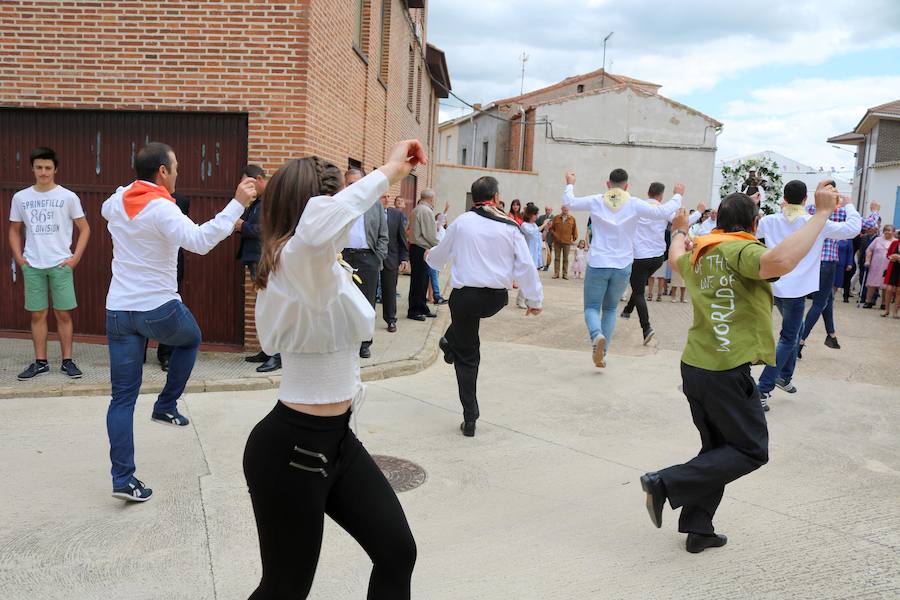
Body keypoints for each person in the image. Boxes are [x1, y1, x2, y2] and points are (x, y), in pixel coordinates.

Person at [245, 140, 422, 599]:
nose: (344, 208)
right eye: (330, 198)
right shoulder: (294, 260)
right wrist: (390, 170)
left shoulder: (325, 266)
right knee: (285, 588)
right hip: (292, 448)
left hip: (337, 441)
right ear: (310, 209)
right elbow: (318, 227)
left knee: (397, 551)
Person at [640, 181, 842, 554]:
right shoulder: (742, 250)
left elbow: (673, 259)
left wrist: (681, 229)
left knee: (717, 449)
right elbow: (779, 262)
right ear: (753, 224)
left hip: (696, 366)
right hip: (725, 369)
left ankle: (699, 529)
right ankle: (664, 483)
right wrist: (824, 214)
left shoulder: (701, 250)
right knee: (750, 450)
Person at [104, 142, 256, 502]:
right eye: (175, 168)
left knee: (121, 399)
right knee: (190, 339)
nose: (177, 174)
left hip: (118, 311)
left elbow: (107, 204)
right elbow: (201, 241)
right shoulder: (161, 209)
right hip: (158, 309)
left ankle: (123, 479)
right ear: (162, 171)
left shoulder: (116, 202)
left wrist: (125, 190)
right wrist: (237, 202)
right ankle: (166, 405)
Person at [428, 176, 543, 437]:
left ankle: (470, 418)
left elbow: (439, 256)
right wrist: (534, 300)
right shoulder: (510, 226)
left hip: (465, 299)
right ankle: (450, 343)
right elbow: (525, 265)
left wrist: (430, 257)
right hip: (495, 299)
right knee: (467, 332)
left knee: (468, 357)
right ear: (495, 197)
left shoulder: (461, 222)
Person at [754, 180, 861, 408]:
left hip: (774, 285)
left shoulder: (769, 220)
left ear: (784, 196)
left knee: (795, 330)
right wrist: (849, 204)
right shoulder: (815, 223)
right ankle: (762, 389)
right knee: (789, 337)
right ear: (805, 199)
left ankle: (784, 376)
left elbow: (752, 234)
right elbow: (853, 229)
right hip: (796, 289)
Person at [562, 168, 682, 367]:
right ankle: (603, 351)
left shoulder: (597, 200)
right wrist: (677, 194)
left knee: (592, 307)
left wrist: (570, 183)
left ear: (608, 184)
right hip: (623, 265)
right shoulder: (634, 203)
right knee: (609, 309)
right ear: (627, 186)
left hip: (599, 262)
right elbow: (661, 211)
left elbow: (570, 202)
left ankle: (596, 335)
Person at [9, 146, 90, 381]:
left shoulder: (67, 197)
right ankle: (40, 362)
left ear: (55, 169)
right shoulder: (21, 198)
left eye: (47, 168)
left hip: (60, 264)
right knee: (38, 315)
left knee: (63, 314)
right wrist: (19, 258)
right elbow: (13, 230)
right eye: (39, 167)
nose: (43, 172)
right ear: (32, 169)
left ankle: (67, 361)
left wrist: (74, 258)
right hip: (33, 264)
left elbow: (85, 229)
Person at [799, 199, 880, 356]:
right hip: (827, 262)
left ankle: (831, 335)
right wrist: (873, 210)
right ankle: (799, 341)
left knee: (827, 297)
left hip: (811, 261)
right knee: (819, 303)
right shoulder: (841, 212)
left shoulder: (811, 209)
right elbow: (870, 225)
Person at [620, 182, 697, 343]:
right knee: (639, 286)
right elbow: (682, 221)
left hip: (639, 257)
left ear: (648, 192)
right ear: (661, 196)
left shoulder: (638, 207)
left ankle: (646, 328)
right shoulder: (664, 211)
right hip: (657, 258)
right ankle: (628, 310)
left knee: (639, 291)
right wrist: (699, 212)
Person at [235, 165, 281, 372]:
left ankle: (277, 354)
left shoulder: (270, 202)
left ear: (260, 179)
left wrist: (241, 226)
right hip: (256, 260)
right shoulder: (260, 202)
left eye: (250, 183)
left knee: (271, 307)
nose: (248, 188)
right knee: (264, 307)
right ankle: (267, 349)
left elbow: (266, 231)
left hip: (264, 260)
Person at [343, 168, 389, 359]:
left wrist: (377, 258)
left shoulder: (375, 205)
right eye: (349, 183)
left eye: (357, 183)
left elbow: (383, 236)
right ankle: (345, 341)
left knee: (367, 302)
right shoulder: (340, 203)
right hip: (343, 258)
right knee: (343, 301)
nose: (353, 187)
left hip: (367, 258)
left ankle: (364, 343)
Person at [155, 191, 191, 371]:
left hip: (173, 259)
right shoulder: (144, 198)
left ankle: (166, 353)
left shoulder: (181, 200)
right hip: (148, 258)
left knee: (169, 306)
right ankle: (138, 353)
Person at [407, 189, 439, 320]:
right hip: (421, 248)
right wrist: (438, 246)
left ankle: (422, 308)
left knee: (423, 280)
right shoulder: (425, 211)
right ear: (431, 199)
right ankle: (414, 311)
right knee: (419, 281)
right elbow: (429, 234)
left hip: (418, 248)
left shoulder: (417, 209)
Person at [381, 192, 410, 333]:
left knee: (390, 291)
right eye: (383, 196)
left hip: (391, 259)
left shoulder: (395, 215)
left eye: (388, 196)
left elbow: (402, 239)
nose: (386, 199)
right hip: (372, 258)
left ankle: (391, 319)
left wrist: (404, 258)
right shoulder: (367, 212)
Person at [516, 203, 544, 308]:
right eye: (535, 214)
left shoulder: (534, 225)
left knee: (532, 279)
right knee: (527, 278)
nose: (536, 216)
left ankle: (528, 299)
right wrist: (543, 225)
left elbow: (538, 238)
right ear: (530, 214)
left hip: (534, 255)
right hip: (527, 255)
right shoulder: (524, 225)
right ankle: (521, 299)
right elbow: (531, 234)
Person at [864, 224, 894, 309]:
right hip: (876, 265)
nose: (887, 232)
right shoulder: (877, 240)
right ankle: (868, 301)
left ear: (893, 232)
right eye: (886, 230)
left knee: (886, 285)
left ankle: (884, 303)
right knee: (872, 284)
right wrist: (867, 260)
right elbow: (869, 250)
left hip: (888, 266)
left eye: (889, 230)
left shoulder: (895, 241)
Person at [427, 204, 450, 305]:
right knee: (434, 276)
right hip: (434, 254)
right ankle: (435, 296)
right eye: (442, 219)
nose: (444, 220)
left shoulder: (443, 229)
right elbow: (440, 220)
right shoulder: (437, 226)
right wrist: (445, 210)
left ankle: (430, 296)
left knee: (434, 276)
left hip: (440, 255)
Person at [549, 205, 578, 279]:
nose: (565, 210)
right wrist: (554, 234)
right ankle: (556, 273)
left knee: (566, 259)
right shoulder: (556, 218)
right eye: (564, 208)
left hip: (567, 242)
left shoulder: (572, 219)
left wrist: (574, 238)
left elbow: (574, 230)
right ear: (561, 209)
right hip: (557, 241)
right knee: (557, 258)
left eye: (567, 209)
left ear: (568, 210)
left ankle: (565, 274)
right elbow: (551, 229)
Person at [882, 238, 900, 318]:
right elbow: (888, 254)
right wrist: (891, 257)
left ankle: (895, 312)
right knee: (888, 289)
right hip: (892, 268)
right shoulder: (895, 243)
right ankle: (886, 310)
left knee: (899, 291)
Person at [835, 238, 856, 303]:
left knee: (838, 281)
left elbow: (850, 252)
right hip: (832, 261)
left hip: (842, 262)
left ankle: (834, 296)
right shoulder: (834, 236)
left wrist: (849, 263)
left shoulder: (849, 240)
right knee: (831, 281)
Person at [536, 205, 554, 271]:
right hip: (541, 238)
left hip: (550, 238)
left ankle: (547, 265)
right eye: (546, 210)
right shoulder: (541, 217)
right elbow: (536, 226)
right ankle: (540, 264)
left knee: (548, 253)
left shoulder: (554, 218)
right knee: (540, 252)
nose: (547, 211)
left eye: (549, 210)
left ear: (551, 210)